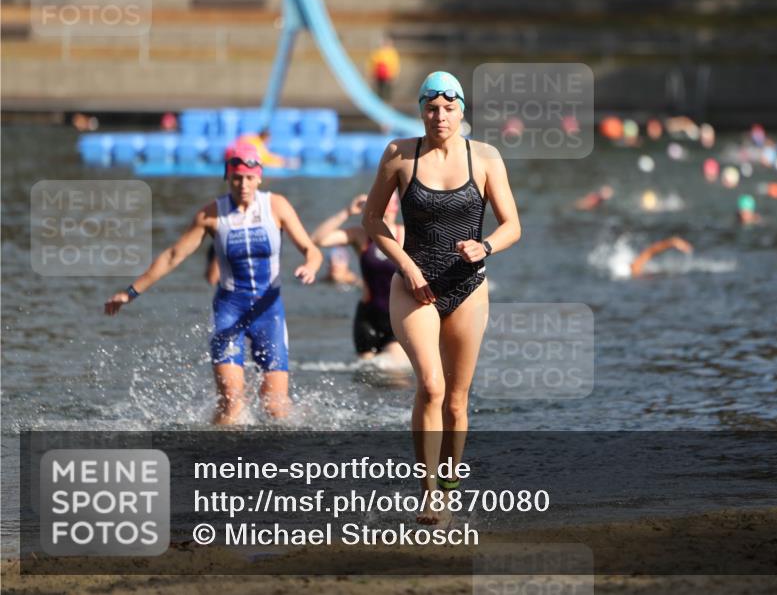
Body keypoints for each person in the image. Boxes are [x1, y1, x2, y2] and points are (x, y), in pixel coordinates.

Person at [361, 71, 520, 525]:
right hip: (415, 287)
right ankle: (429, 492)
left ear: (462, 110)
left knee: (456, 399)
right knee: (430, 386)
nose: (440, 116)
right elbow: (372, 219)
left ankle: (450, 485)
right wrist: (406, 265)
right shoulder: (399, 155)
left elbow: (513, 225)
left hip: (469, 287)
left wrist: (484, 245)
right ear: (421, 111)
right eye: (432, 108)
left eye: (449, 108)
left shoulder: (485, 158)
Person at [104, 143, 323, 425]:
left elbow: (311, 249)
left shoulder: (277, 206)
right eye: (236, 178)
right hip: (230, 309)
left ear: (259, 177)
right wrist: (131, 292)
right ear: (227, 178)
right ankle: (218, 459)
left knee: (276, 409)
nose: (242, 185)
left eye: (248, 178)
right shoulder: (210, 215)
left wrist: (311, 266)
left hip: (269, 312)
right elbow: (173, 255)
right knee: (232, 403)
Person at [311, 192, 409, 365]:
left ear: (395, 207)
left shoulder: (406, 235)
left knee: (393, 372)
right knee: (367, 374)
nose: (382, 204)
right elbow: (317, 240)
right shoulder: (361, 235)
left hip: (397, 317)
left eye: (387, 201)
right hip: (368, 318)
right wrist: (347, 212)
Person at [368, 36, 400, 101]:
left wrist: (395, 75)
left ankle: (387, 102)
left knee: (388, 90)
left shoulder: (392, 52)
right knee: (380, 89)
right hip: (379, 74)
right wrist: (371, 73)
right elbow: (372, 63)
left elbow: (395, 65)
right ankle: (380, 101)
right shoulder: (377, 52)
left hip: (389, 74)